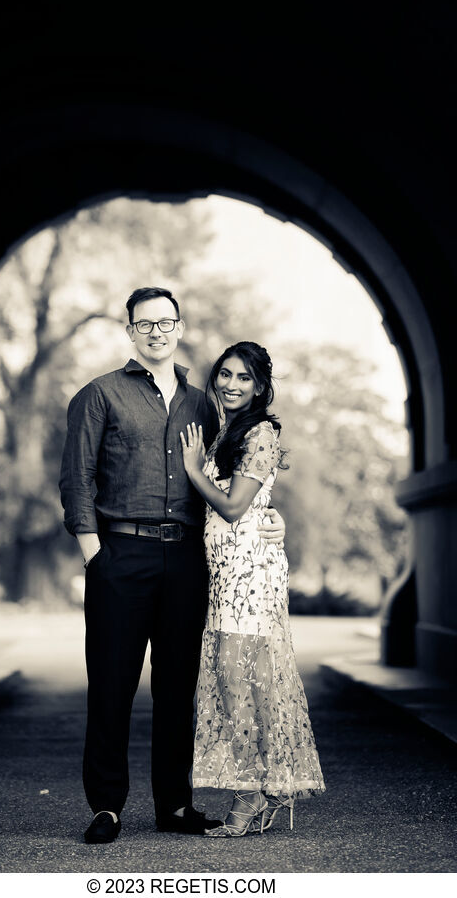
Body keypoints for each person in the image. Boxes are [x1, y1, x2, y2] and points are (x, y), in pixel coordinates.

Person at [59, 288, 286, 844]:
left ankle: (175, 805)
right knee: (111, 683)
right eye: (145, 323)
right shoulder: (99, 395)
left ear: (179, 327)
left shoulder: (202, 405)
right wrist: (95, 555)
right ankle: (107, 806)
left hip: (187, 558)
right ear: (130, 330)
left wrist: (272, 516)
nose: (157, 331)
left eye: (166, 322)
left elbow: (236, 476)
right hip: (121, 555)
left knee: (177, 688)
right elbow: (76, 480)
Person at [180, 341, 326, 837]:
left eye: (244, 377)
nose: (232, 385)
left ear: (260, 386)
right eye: (225, 375)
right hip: (226, 574)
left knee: (238, 681)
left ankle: (251, 795)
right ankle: (269, 788)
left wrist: (193, 471)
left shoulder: (261, 431)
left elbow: (235, 506)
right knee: (240, 682)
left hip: (250, 576)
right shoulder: (229, 429)